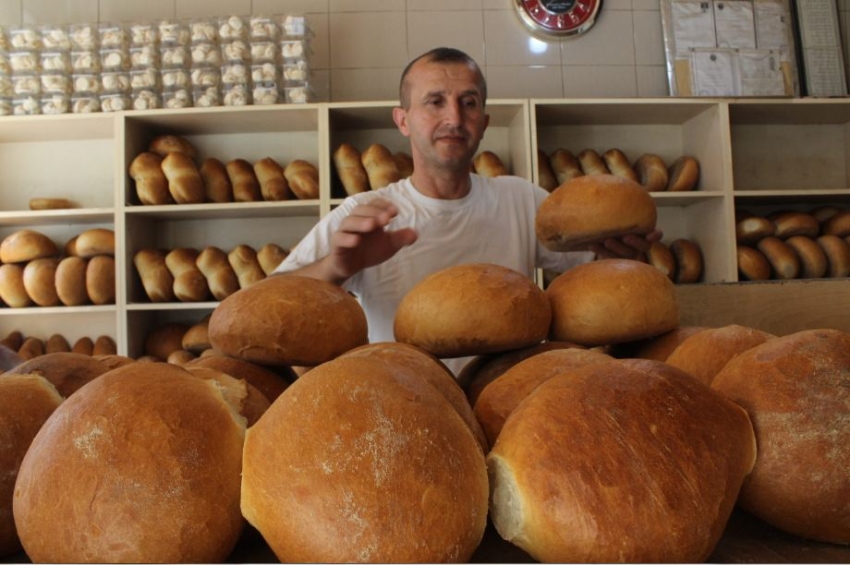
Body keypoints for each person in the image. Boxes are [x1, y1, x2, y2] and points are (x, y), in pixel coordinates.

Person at [273, 47, 659, 374]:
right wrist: (337, 266)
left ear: (484, 122)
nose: (454, 119)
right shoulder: (366, 212)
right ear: (403, 120)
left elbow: (594, 279)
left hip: (510, 398)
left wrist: (623, 256)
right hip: (405, 400)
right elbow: (270, 306)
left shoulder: (522, 200)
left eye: (468, 103)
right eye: (435, 101)